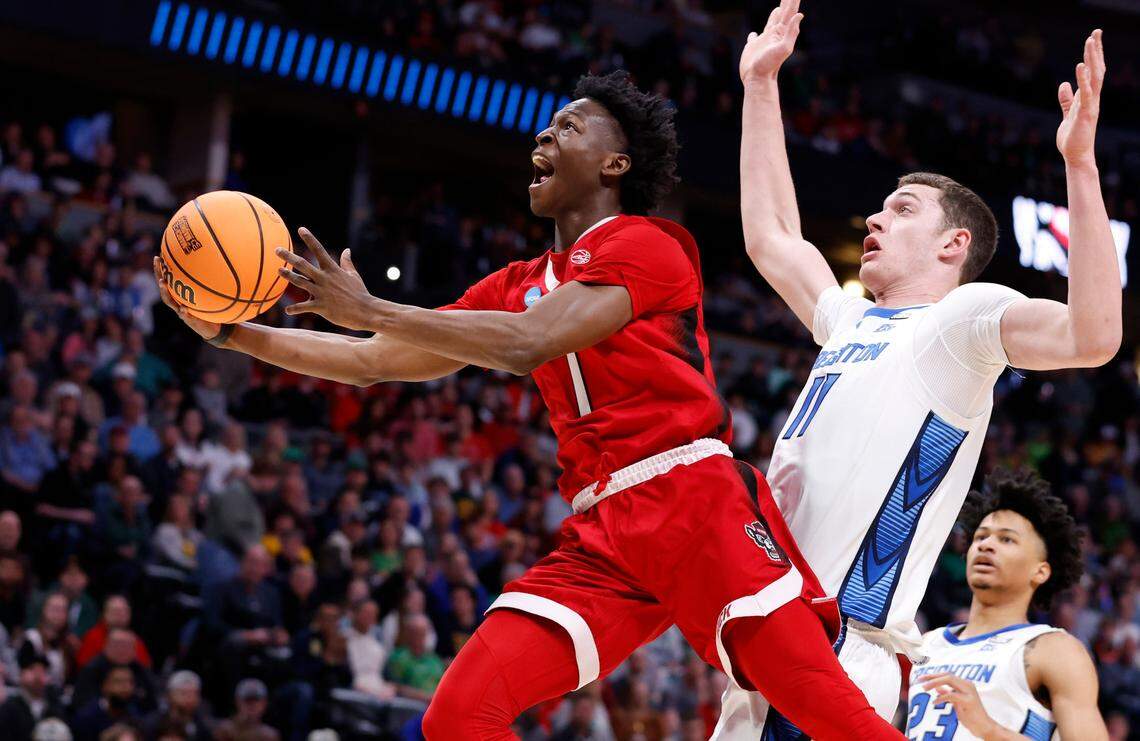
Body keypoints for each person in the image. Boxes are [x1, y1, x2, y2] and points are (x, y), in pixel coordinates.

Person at [154, 70, 901, 738]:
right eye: (547, 125)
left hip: (693, 501)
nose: (545, 134)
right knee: (457, 716)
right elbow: (374, 363)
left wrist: (373, 305)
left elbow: (528, 342)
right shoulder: (514, 283)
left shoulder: (651, 244)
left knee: (826, 710)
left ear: (616, 163)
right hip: (603, 530)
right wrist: (237, 335)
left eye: (571, 125)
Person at [720, 2, 1120, 734]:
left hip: (841, 648)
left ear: (952, 245)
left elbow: (1092, 334)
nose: (874, 220)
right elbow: (773, 235)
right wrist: (761, 85)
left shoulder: (958, 323)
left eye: (901, 210)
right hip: (765, 639)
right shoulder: (848, 320)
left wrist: (1080, 168)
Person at [907, 469, 1107, 740]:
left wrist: (989, 730)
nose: (986, 545)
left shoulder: (1053, 649)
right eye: (980, 537)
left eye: (1006, 539)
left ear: (1040, 571)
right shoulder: (927, 646)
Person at [0, 644, 66, 740]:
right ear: (21, 674)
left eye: (42, 670)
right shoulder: (10, 708)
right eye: (31, 669)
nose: (38, 675)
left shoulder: (54, 703)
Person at [214, 679, 280, 741]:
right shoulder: (225, 730)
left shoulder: (269, 735)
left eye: (256, 700)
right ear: (237, 702)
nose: (252, 705)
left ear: (264, 703)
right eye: (247, 700)